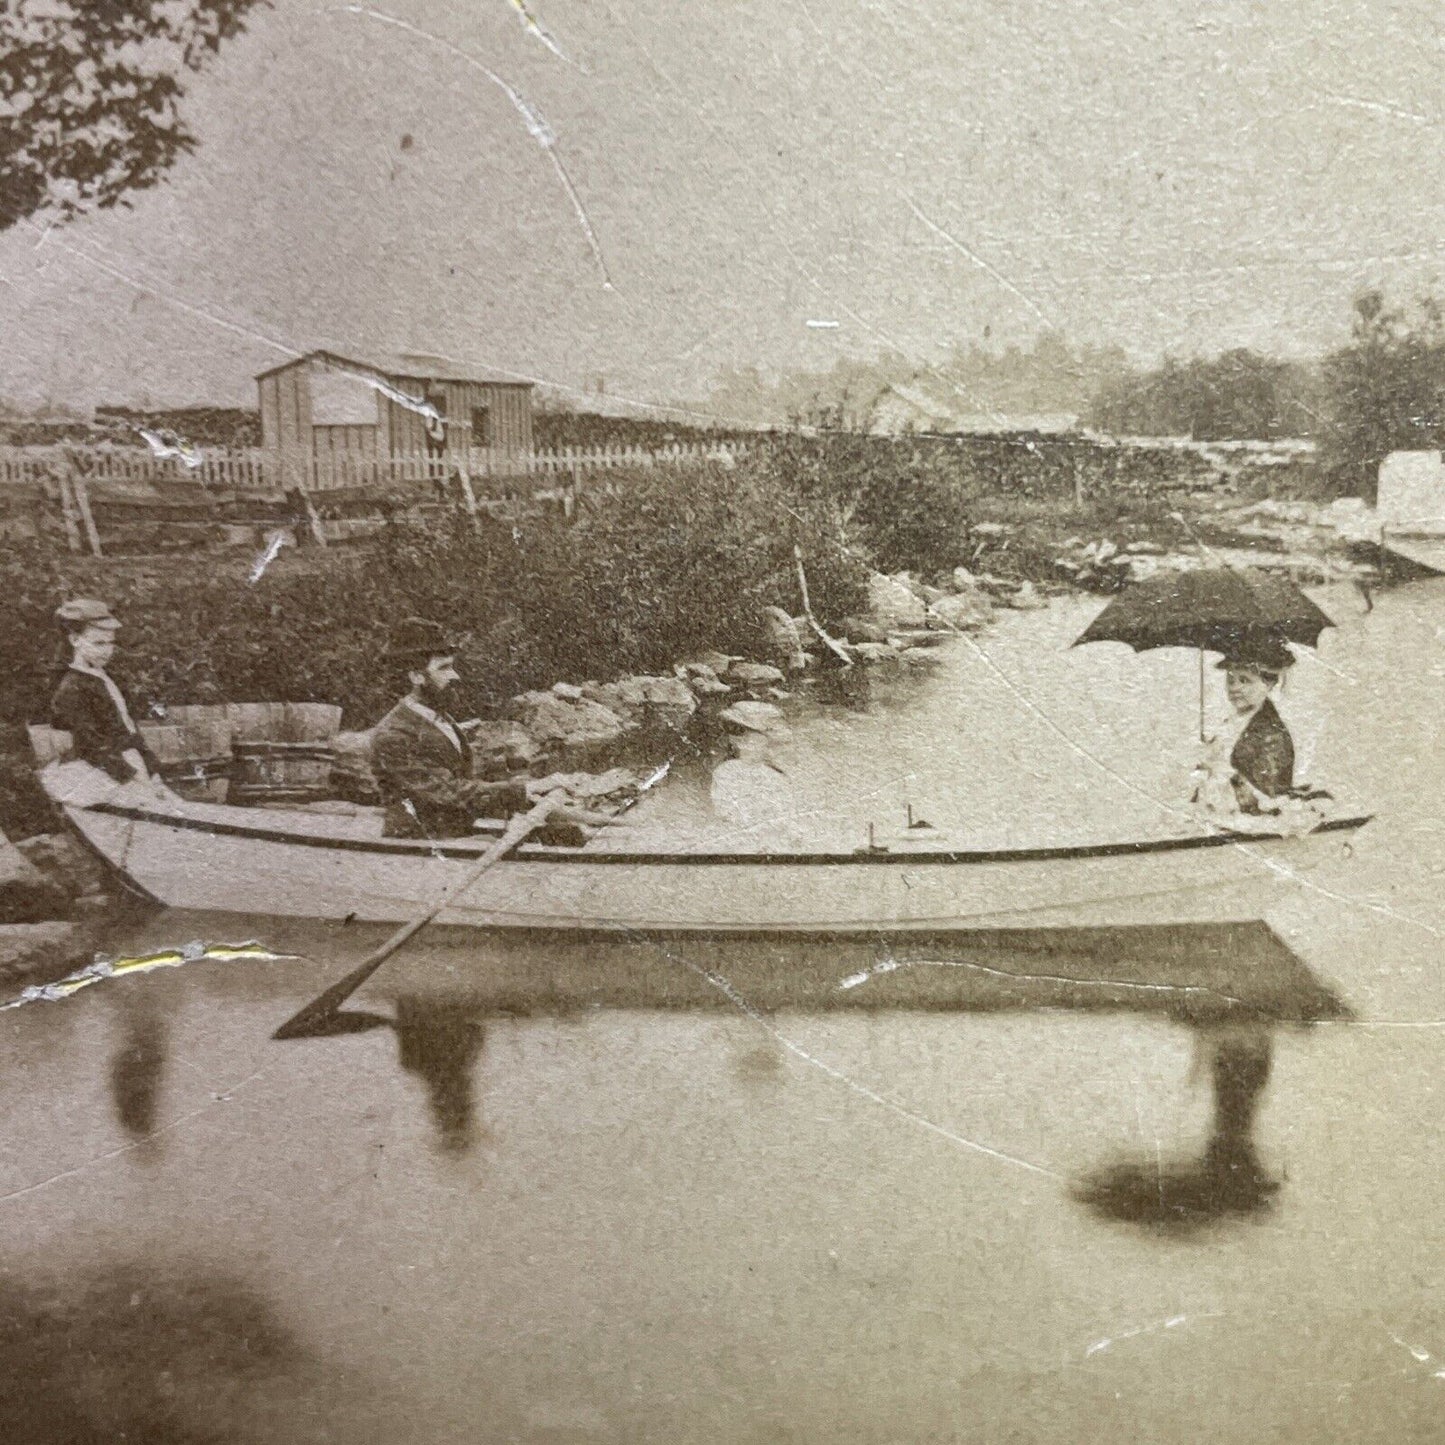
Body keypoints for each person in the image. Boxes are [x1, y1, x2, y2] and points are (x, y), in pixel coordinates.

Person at [370, 618, 588, 845]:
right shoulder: (394, 735)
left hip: (456, 834)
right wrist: (526, 789)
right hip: (418, 844)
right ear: (416, 677)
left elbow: (464, 776)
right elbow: (449, 792)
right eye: (443, 668)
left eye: (452, 666)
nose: (455, 676)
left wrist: (526, 782)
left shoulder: (438, 717)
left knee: (572, 835)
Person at [48, 597, 160, 785]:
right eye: (99, 643)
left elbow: (128, 728)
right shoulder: (72, 688)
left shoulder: (106, 679)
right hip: (98, 772)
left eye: (110, 643)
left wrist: (151, 768)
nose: (107, 651)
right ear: (75, 639)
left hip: (129, 763)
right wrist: (130, 776)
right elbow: (92, 744)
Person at [1192, 643, 1298, 817]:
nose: (1234, 688)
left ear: (1269, 683)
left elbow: (1268, 796)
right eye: (1230, 680)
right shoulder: (1229, 723)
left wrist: (1222, 770)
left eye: (1244, 680)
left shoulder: (1272, 734)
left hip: (1250, 820)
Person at [710, 700, 802, 845]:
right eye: (738, 734)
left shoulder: (776, 777)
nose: (738, 740)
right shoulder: (726, 772)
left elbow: (787, 818)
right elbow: (725, 813)